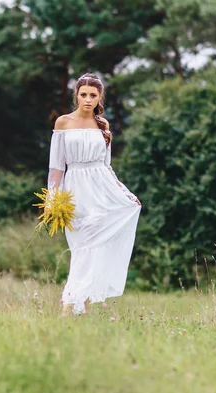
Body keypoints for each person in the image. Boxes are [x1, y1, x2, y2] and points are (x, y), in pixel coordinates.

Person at [47, 73, 142, 316]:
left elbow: (106, 165)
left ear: (99, 97)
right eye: (83, 95)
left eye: (93, 95)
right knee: (83, 247)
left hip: (101, 191)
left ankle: (75, 306)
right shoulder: (63, 123)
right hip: (75, 191)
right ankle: (72, 303)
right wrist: (52, 198)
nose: (87, 100)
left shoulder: (103, 126)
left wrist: (125, 193)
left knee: (95, 247)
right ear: (76, 96)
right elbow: (57, 166)